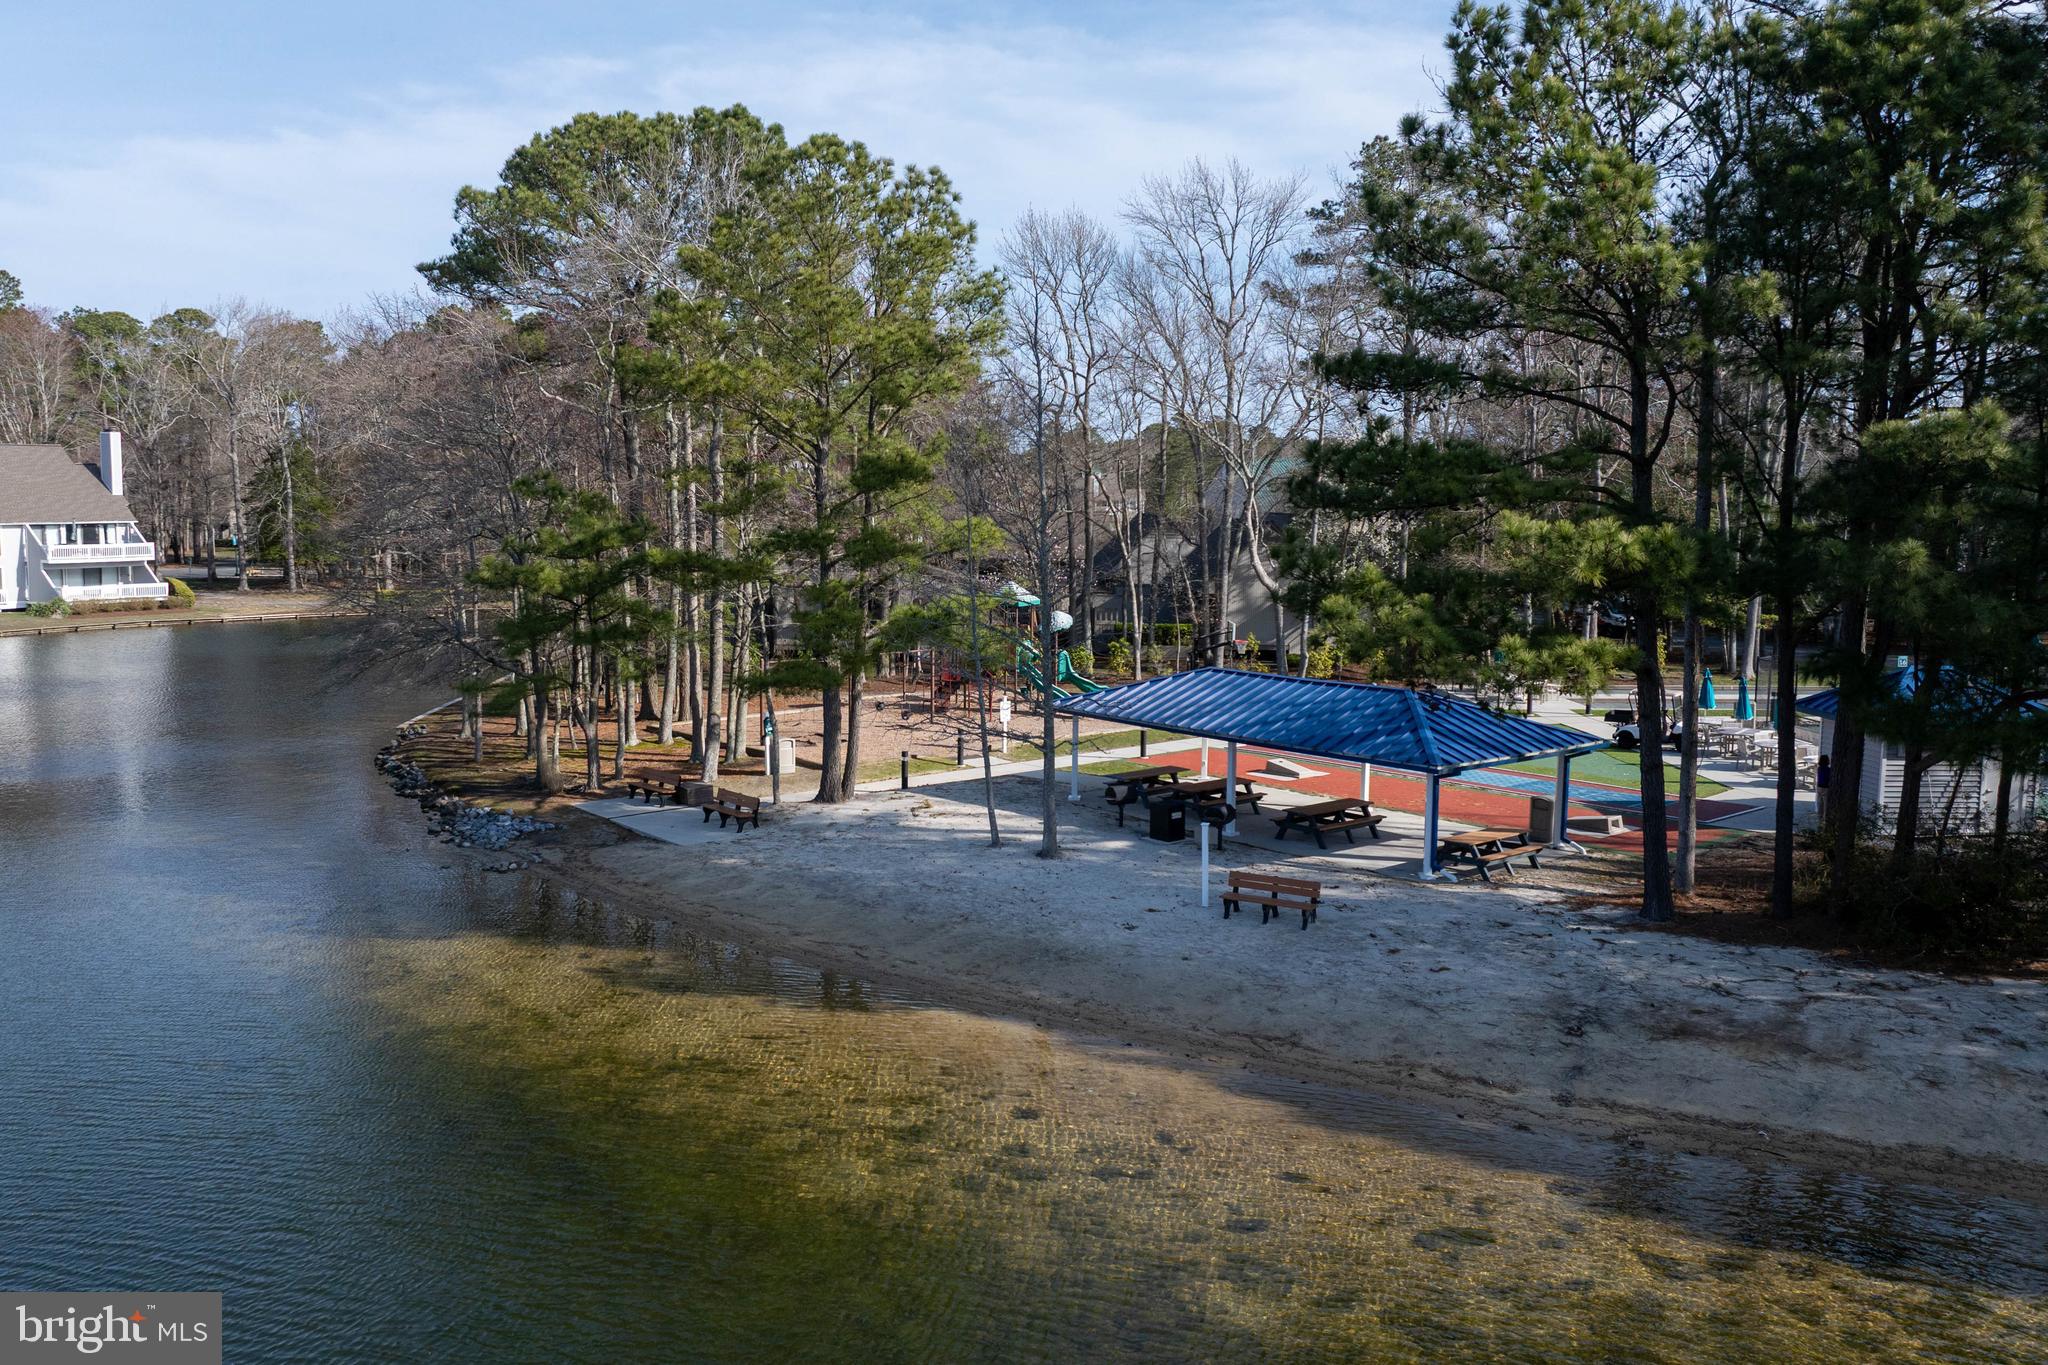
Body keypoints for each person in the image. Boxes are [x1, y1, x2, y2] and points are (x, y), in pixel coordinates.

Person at [1816, 753, 1831, 823]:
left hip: (1819, 787)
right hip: (1826, 788)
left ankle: (1820, 819)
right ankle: (1825, 820)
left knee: (1820, 804)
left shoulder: (1819, 769)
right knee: (1826, 806)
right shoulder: (1828, 770)